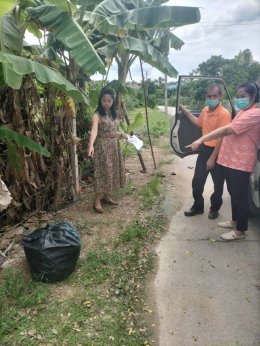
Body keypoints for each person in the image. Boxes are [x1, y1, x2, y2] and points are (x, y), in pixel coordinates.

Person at [186, 82, 260, 241]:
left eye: (243, 96)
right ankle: (234, 221)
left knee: (240, 197)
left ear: (253, 97)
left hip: (241, 162)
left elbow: (227, 130)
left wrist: (202, 138)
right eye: (238, 96)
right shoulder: (242, 112)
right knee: (233, 194)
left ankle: (240, 231)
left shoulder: (254, 114)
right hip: (231, 161)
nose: (239, 99)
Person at [179, 84, 231, 219]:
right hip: (204, 150)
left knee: (218, 184)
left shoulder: (224, 114)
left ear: (220, 97)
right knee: (197, 181)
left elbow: (221, 138)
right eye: (209, 96)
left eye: (215, 96)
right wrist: (185, 112)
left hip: (218, 152)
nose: (212, 98)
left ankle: (214, 209)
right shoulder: (205, 110)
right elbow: (199, 123)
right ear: (206, 96)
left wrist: (212, 158)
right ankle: (198, 206)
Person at [88, 88, 126, 213]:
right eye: (104, 100)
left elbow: (113, 131)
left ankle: (107, 196)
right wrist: (91, 145)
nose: (106, 103)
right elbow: (94, 131)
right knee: (103, 171)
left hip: (114, 146)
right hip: (103, 148)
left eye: (109, 101)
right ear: (100, 100)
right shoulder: (97, 115)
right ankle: (97, 201)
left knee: (111, 171)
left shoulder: (112, 113)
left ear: (112, 101)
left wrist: (122, 134)